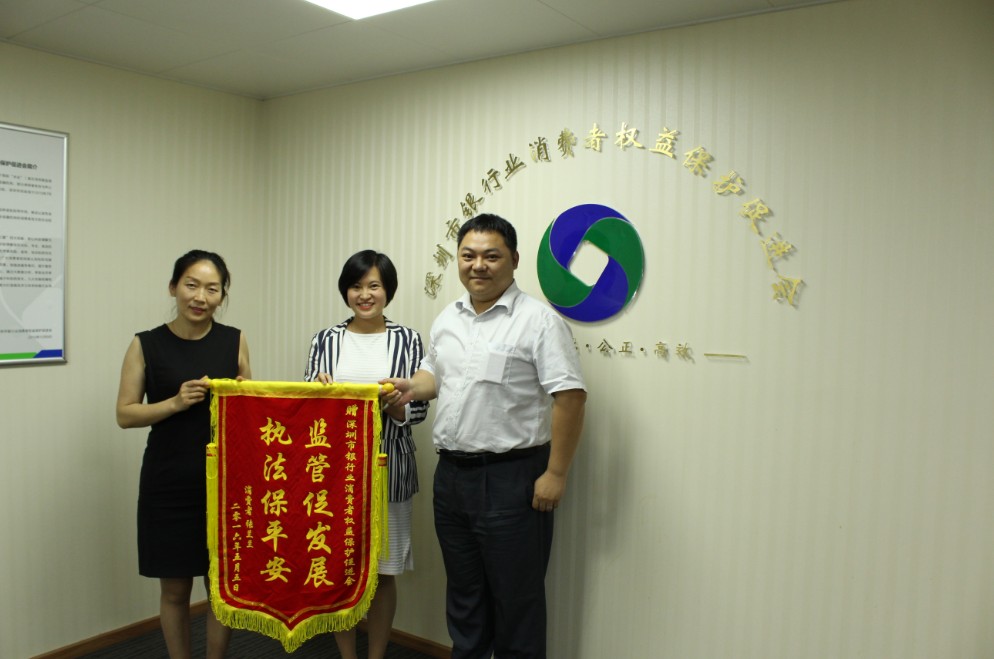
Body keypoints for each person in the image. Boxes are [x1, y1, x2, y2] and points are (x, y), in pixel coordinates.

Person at [384, 214, 587, 658]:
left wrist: (556, 473)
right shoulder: (448, 318)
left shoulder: (538, 321)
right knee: (464, 597)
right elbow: (435, 374)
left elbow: (570, 397)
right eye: (468, 255)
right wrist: (411, 386)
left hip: (513, 480)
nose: (478, 265)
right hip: (452, 478)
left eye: (491, 256)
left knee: (517, 602)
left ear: (514, 259)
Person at [116, 249, 251, 659]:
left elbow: (250, 409)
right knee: (175, 590)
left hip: (223, 483)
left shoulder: (234, 340)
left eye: (212, 289)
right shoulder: (145, 344)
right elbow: (125, 414)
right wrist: (175, 403)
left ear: (222, 296)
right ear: (173, 287)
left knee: (220, 588)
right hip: (167, 483)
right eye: (191, 285)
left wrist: (241, 395)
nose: (200, 297)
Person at [304, 250, 429, 659]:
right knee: (339, 569)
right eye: (356, 286)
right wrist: (318, 394)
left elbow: (420, 409)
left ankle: (376, 655)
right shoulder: (325, 340)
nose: (365, 294)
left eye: (374, 285)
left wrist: (396, 407)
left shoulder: (408, 339)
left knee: (384, 571)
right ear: (346, 291)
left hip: (389, 469)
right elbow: (306, 410)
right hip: (334, 473)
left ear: (387, 290)